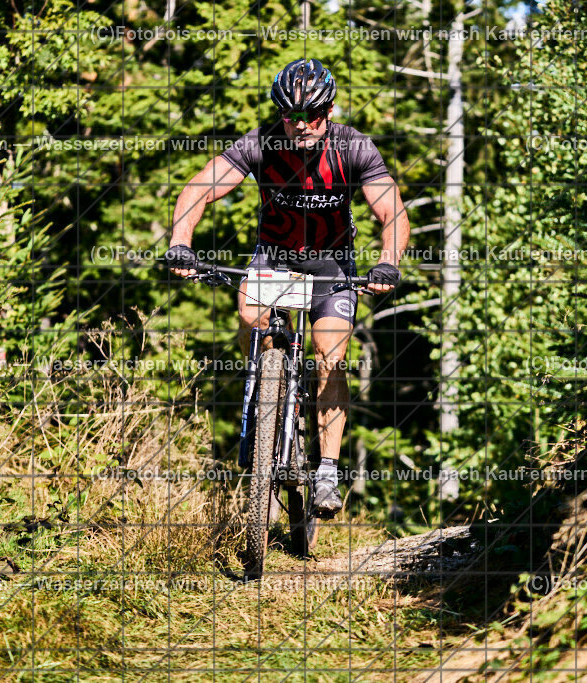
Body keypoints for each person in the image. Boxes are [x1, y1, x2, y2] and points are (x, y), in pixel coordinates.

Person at [167, 58, 410, 515]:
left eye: (311, 115)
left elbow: (392, 212)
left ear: (330, 110)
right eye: (290, 115)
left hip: (331, 264)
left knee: (329, 354)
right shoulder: (261, 143)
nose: (300, 125)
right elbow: (198, 187)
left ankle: (326, 472)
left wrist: (387, 262)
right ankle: (269, 393)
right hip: (275, 257)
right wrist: (181, 242)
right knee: (250, 320)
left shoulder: (354, 148)